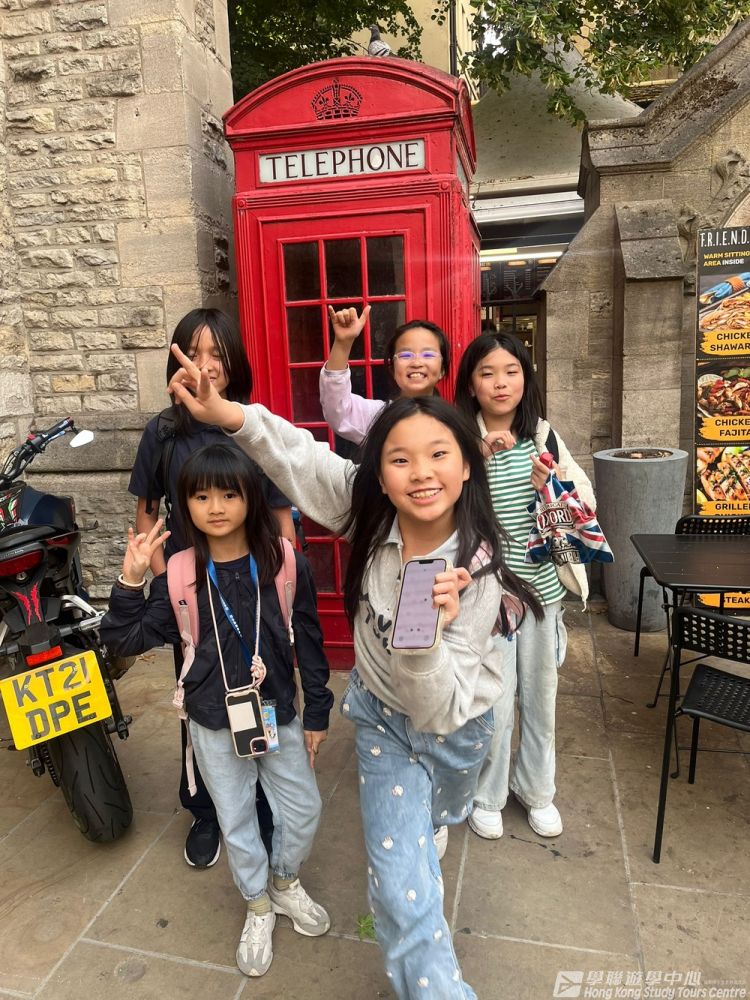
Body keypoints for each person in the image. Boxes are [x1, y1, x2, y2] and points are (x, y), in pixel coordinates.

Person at [167, 343, 543, 1000]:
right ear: (380, 475)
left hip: (459, 727)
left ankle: (433, 820)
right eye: (399, 459)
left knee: (444, 813)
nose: (420, 473)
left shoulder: (476, 567)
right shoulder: (368, 512)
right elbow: (303, 456)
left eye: (438, 455)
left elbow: (437, 708)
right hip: (382, 724)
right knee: (402, 890)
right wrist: (229, 414)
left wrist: (424, 634)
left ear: (466, 466)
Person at [101, 443, 333, 979]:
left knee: (303, 809)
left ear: (250, 497)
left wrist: (318, 712)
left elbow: (310, 638)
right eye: (201, 496)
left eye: (229, 494)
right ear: (185, 504)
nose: (217, 507)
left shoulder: (284, 561)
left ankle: (284, 880)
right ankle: (257, 904)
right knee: (235, 818)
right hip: (210, 717)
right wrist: (131, 581)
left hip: (276, 712)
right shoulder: (180, 572)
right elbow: (125, 639)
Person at [128, 308, 294, 868]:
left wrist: (285, 583)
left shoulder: (250, 424)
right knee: (196, 696)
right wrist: (164, 583)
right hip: (191, 594)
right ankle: (204, 808)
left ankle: (261, 799)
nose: (205, 366)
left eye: (217, 354)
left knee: (262, 687)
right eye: (192, 353)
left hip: (253, 586)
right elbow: (147, 515)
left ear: (234, 362)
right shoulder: (162, 432)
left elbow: (280, 515)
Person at [454, 333, 596, 841]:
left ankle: (537, 790)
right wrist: (477, 459)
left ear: (525, 378)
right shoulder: (459, 439)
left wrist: (550, 487)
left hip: (542, 594)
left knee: (540, 699)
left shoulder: (543, 436)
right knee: (494, 702)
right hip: (489, 597)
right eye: (487, 373)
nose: (501, 383)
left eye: (511, 371)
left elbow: (584, 504)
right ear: (471, 384)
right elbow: (443, 508)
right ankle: (488, 794)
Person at [319, 304, 449, 445]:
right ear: (392, 369)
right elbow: (338, 410)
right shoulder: (377, 417)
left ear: (442, 369)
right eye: (405, 355)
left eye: (428, 355)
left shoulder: (452, 421)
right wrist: (343, 343)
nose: (416, 363)